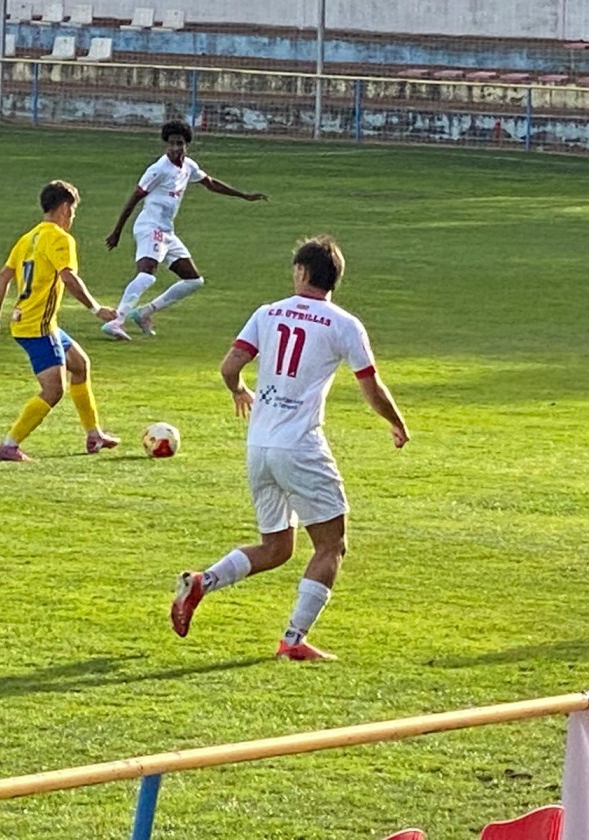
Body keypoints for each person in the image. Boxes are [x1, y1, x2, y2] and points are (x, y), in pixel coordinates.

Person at [170, 235, 410, 660]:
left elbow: (229, 367)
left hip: (259, 446)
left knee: (277, 547)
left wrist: (240, 389)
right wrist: (395, 421)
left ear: (301, 272)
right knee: (331, 544)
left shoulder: (266, 313)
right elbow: (370, 386)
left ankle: (201, 582)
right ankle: (293, 641)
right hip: (300, 447)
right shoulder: (343, 323)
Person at [0, 180, 121, 462]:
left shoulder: (28, 237)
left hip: (30, 321)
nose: (73, 217)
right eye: (74, 210)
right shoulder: (59, 238)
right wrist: (96, 309)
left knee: (80, 365)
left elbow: (4, 276)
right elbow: (68, 277)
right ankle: (8, 445)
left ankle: (94, 435)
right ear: (65, 208)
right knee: (54, 390)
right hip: (38, 327)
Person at [101, 119, 267, 341]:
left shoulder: (188, 166)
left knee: (193, 280)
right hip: (150, 227)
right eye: (171, 144)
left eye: (179, 143)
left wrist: (244, 195)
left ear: (186, 145)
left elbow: (210, 183)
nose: (175, 148)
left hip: (167, 232)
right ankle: (117, 320)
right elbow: (135, 198)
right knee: (147, 275)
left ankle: (144, 313)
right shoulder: (158, 169)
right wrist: (117, 231)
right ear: (165, 145)